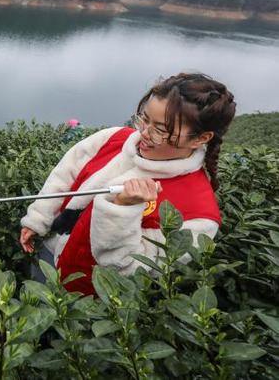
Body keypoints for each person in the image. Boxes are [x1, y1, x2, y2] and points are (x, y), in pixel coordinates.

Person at [19, 73, 236, 295]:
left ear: (201, 138)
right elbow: (64, 176)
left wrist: (123, 209)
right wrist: (37, 219)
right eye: (144, 118)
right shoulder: (113, 138)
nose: (144, 133)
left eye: (160, 130)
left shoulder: (199, 217)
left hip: (89, 295)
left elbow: (130, 272)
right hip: (49, 250)